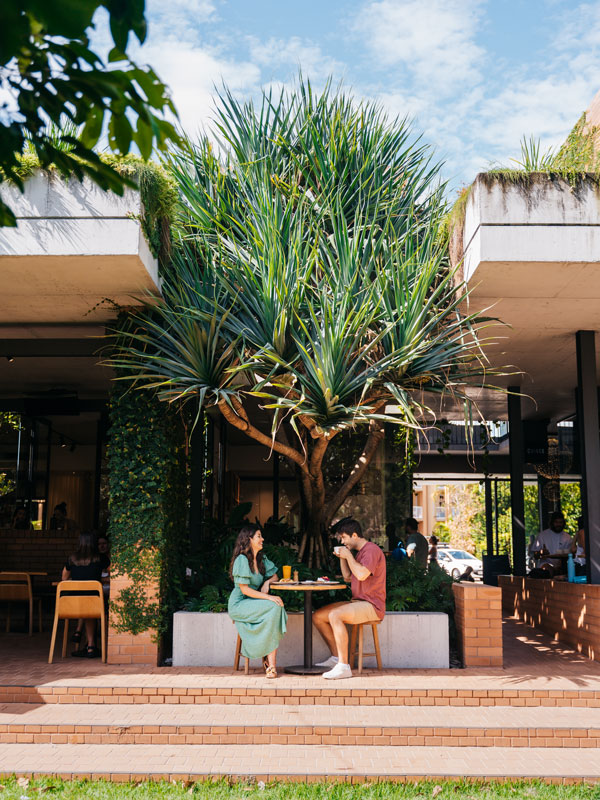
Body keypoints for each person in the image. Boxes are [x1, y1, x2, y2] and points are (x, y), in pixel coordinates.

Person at [313, 518, 386, 680]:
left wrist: (348, 556)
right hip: (358, 603)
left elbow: (361, 574)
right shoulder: (359, 554)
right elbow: (347, 577)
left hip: (372, 606)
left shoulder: (371, 550)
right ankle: (336, 658)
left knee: (335, 615)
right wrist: (343, 557)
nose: (342, 541)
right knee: (318, 616)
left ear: (354, 535)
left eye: (344, 538)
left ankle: (344, 666)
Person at [228, 524, 287, 679]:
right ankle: (271, 665)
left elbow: (275, 575)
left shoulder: (261, 558)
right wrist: (269, 597)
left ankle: (271, 664)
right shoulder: (242, 560)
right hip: (240, 603)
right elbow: (245, 590)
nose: (262, 539)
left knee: (276, 607)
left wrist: (267, 583)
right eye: (259, 536)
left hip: (253, 602)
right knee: (274, 605)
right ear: (249, 539)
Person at [62, 530, 103, 658]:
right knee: (90, 606)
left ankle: (89, 644)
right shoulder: (100, 558)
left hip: (72, 606)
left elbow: (64, 579)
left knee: (86, 604)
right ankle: (91, 646)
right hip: (94, 604)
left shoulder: (72, 559)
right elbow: (115, 575)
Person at [531, 511, 573, 577]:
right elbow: (535, 556)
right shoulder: (542, 535)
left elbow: (571, 554)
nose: (558, 525)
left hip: (562, 566)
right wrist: (541, 553)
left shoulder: (567, 537)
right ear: (552, 523)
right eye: (556, 522)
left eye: (560, 522)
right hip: (546, 565)